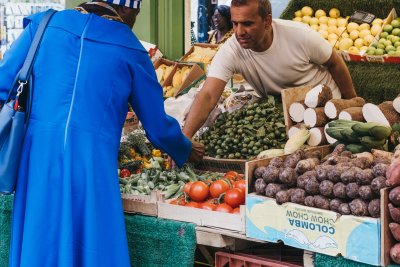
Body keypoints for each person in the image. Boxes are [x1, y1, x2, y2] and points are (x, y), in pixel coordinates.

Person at [0, 0, 204, 266]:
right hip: (91, 167)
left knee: (41, 239)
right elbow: (157, 126)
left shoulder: (43, 25)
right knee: (92, 246)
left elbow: (4, 86)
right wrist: (186, 148)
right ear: (128, 9)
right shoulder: (130, 47)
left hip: (37, 159)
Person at [183, 0, 356, 139]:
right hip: (289, 113)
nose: (239, 32)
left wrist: (352, 103)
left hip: (325, 110)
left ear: (266, 21)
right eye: (235, 24)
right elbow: (208, 95)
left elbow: (335, 62)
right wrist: (185, 137)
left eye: (247, 24)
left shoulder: (299, 35)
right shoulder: (232, 49)